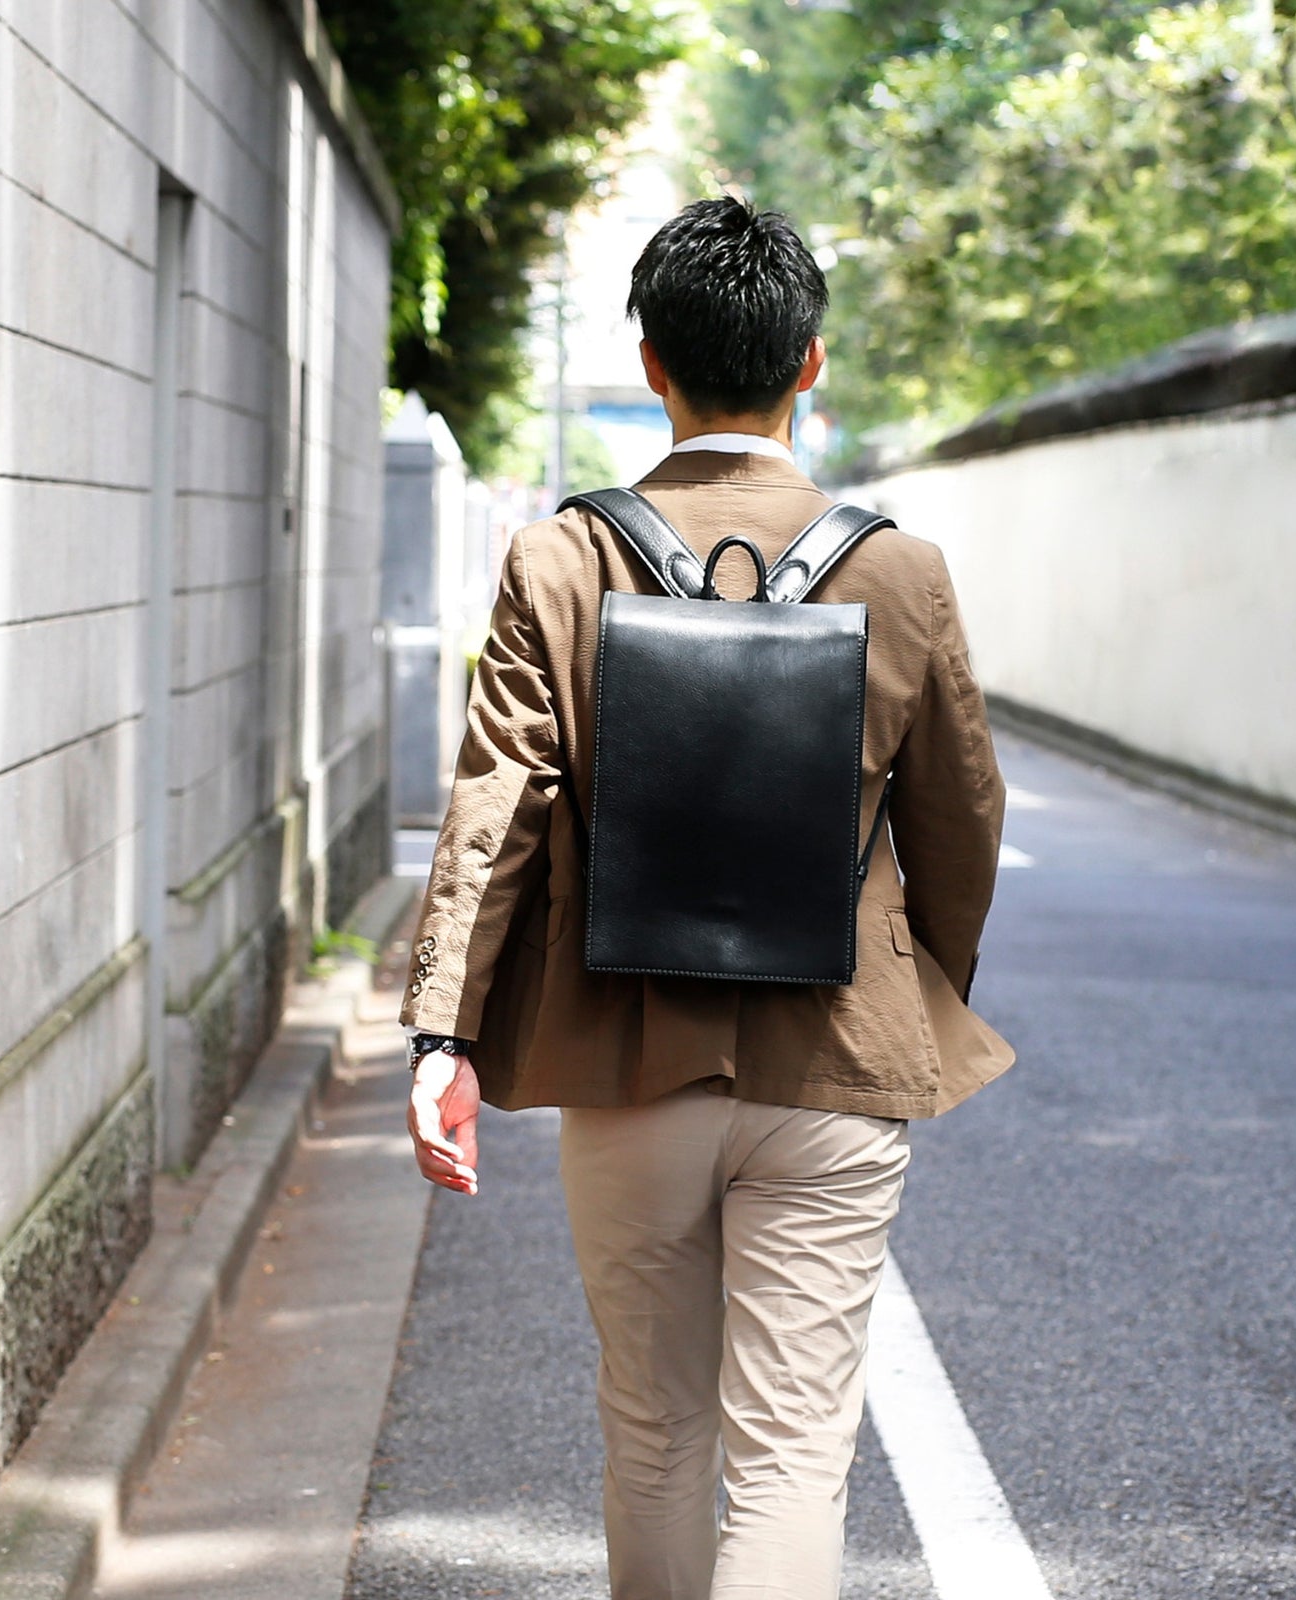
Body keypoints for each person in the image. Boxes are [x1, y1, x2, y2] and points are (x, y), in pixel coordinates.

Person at [399, 195, 1012, 1600]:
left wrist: (443, 1035)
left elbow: (497, 806)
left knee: (656, 1434)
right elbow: (962, 820)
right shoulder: (899, 570)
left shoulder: (561, 558)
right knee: (795, 1449)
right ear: (810, 364)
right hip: (837, 1063)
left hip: (626, 1063)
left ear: (652, 361)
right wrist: (918, 991)